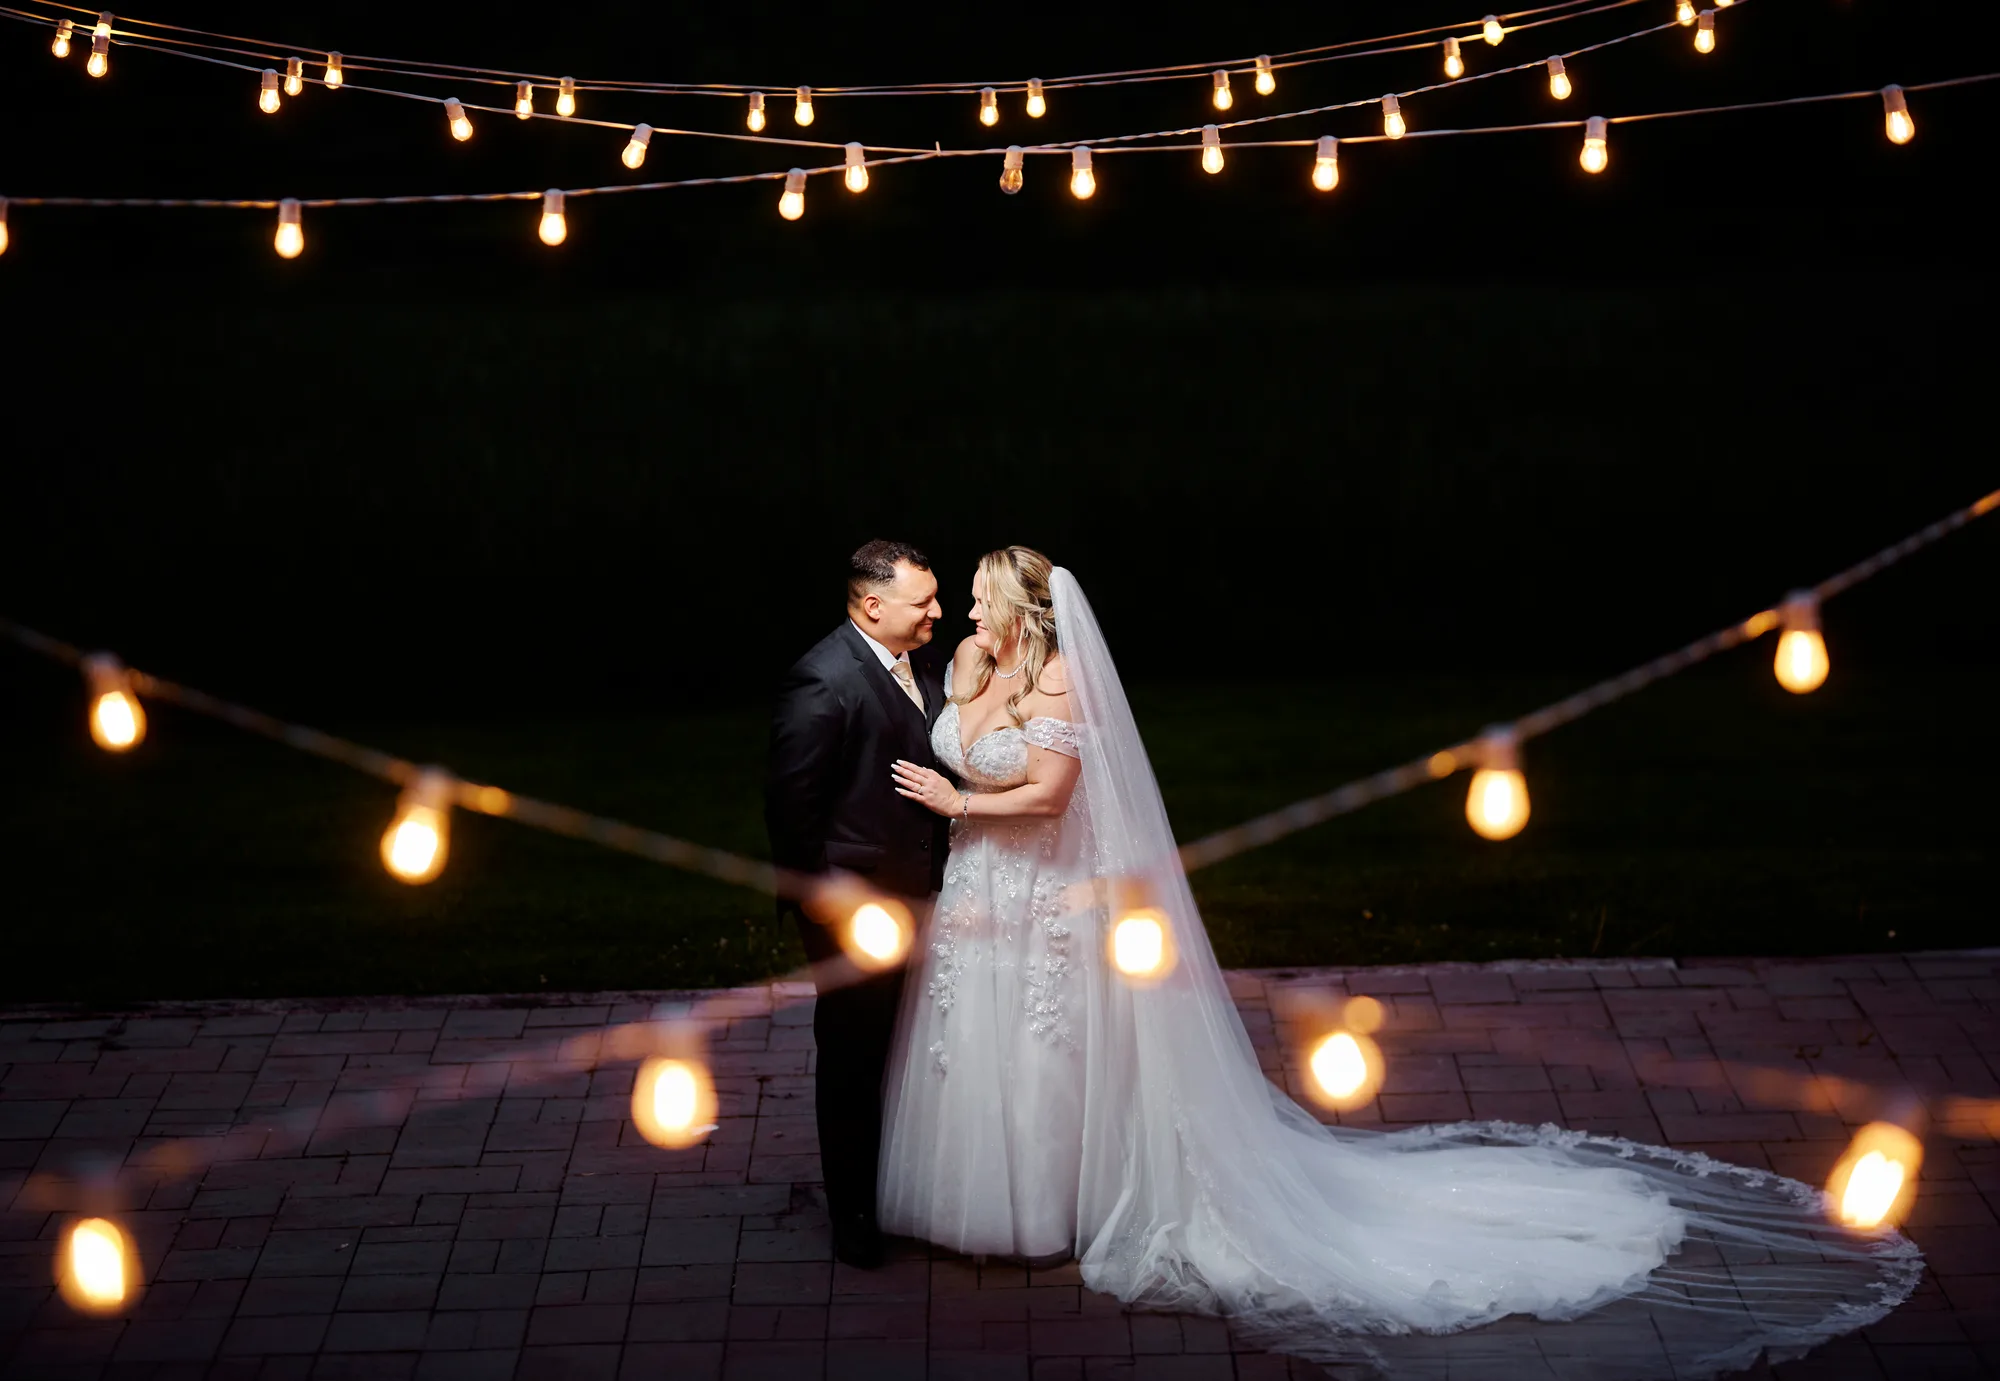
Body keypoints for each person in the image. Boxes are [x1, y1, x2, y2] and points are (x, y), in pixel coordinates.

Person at [875, 545, 1922, 1379]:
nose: (965, 613)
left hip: (1046, 893)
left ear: (1022, 607)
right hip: (980, 893)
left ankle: (1058, 1201)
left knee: (1051, 1047)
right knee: (982, 1043)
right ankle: (983, 1199)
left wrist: (959, 801)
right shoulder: (972, 664)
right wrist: (955, 765)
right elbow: (955, 732)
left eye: (976, 598)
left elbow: (1053, 798)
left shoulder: (1058, 673)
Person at [764, 539, 949, 1269]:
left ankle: (904, 1186)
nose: (938, 610)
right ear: (873, 605)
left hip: (925, 892)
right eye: (923, 601)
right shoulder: (822, 680)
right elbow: (790, 802)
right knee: (852, 1057)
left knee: (903, 1048)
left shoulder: (924, 664)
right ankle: (854, 1215)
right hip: (857, 912)